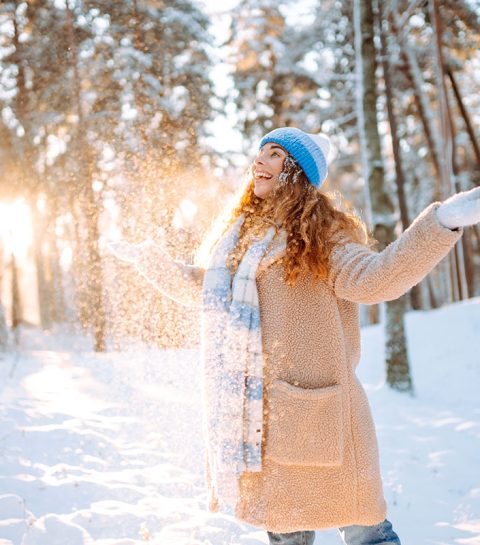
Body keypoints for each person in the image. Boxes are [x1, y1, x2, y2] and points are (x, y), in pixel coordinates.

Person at [108, 127, 480, 545]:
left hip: (325, 418)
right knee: (286, 537)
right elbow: (209, 290)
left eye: (273, 153)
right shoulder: (245, 239)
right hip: (267, 422)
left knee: (366, 533)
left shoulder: (323, 237)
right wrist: (149, 261)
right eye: (259, 152)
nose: (259, 162)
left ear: (296, 171)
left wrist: (442, 222)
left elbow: (377, 279)